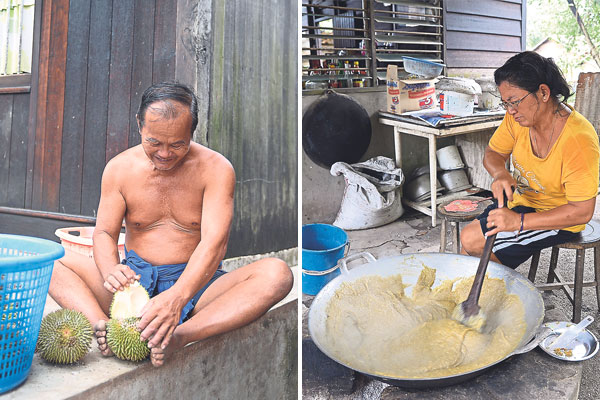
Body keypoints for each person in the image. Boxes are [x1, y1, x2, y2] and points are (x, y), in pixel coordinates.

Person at [48, 82, 294, 367]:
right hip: (134, 283)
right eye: (154, 142)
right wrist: (111, 270)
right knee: (51, 260)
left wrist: (177, 297)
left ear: (192, 132)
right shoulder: (119, 169)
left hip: (196, 285)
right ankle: (104, 327)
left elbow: (215, 243)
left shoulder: (216, 169)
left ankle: (180, 336)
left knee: (277, 274)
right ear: (140, 124)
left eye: (177, 144)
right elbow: (104, 232)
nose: (164, 153)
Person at [460, 51, 599, 268]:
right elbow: (493, 154)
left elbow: (582, 211)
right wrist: (501, 174)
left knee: (472, 242)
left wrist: (519, 222)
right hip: (521, 203)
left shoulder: (578, 140)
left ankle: (504, 295)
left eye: (514, 101)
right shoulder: (517, 119)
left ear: (543, 92)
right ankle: (484, 293)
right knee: (466, 245)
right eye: (506, 103)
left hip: (556, 217)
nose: (511, 111)